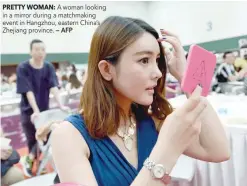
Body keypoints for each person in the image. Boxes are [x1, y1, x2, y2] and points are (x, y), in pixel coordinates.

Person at [51, 16, 230, 186]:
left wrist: (187, 79)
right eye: (144, 60)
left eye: (157, 60)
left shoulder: (152, 121)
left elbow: (219, 150)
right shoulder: (69, 136)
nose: (158, 73)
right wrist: (166, 149)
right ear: (107, 69)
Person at [16, 39, 70, 177]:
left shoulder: (48, 67)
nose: (40, 52)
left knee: (44, 138)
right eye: (37, 49)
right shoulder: (23, 68)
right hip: (29, 112)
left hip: (44, 111)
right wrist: (35, 110)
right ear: (31, 51)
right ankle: (32, 163)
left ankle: (32, 160)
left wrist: (60, 105)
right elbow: (28, 91)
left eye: (42, 49)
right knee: (32, 140)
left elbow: (53, 86)